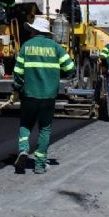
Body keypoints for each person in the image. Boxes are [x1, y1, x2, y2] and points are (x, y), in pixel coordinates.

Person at [12, 17, 75, 174]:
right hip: (48, 96)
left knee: (26, 124)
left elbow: (18, 73)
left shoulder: (26, 47)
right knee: (45, 129)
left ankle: (24, 149)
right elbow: (70, 68)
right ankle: (39, 165)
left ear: (35, 31)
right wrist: (59, 76)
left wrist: (17, 89)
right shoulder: (56, 47)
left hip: (29, 95)